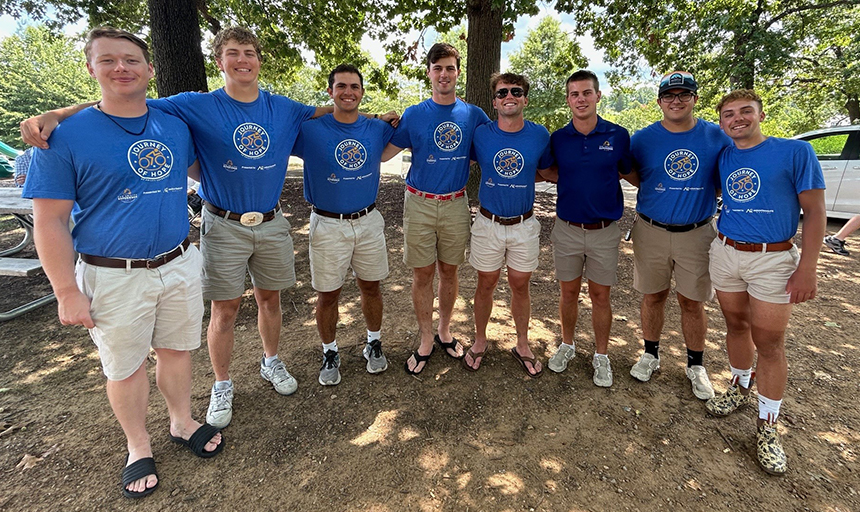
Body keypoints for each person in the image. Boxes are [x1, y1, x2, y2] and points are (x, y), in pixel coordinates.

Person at [21, 27, 396, 429]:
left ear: (259, 60)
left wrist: (377, 117)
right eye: (232, 53)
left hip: (271, 223)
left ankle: (271, 362)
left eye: (249, 52)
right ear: (219, 62)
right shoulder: (194, 105)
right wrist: (56, 115)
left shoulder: (284, 108)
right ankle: (222, 382)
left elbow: (334, 111)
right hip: (223, 223)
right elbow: (122, 101)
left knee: (270, 300)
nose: (242, 60)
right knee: (226, 308)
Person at [22, 27, 223, 499]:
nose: (121, 69)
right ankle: (138, 444)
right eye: (108, 60)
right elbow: (49, 221)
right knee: (125, 366)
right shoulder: (63, 137)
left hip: (178, 262)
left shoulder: (172, 123)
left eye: (131, 60)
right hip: (112, 274)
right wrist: (66, 291)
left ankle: (181, 420)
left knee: (177, 350)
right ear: (91, 69)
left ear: (150, 69)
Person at [705, 89, 825, 475]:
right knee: (736, 325)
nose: (737, 119)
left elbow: (816, 211)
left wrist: (807, 267)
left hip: (773, 258)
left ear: (759, 114)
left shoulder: (795, 153)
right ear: (721, 122)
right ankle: (740, 387)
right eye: (728, 114)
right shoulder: (724, 156)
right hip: (726, 252)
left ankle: (768, 425)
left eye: (745, 112)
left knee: (769, 341)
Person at [382, 43, 491, 374]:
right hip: (419, 203)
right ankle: (426, 339)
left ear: (458, 72)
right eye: (438, 68)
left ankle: (444, 331)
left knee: (449, 271)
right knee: (422, 273)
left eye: (450, 68)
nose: (444, 74)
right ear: (429, 72)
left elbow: (494, 142)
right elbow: (384, 153)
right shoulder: (415, 114)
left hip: (456, 203)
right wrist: (375, 122)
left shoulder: (473, 115)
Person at [626, 71, 731, 400]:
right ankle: (650, 354)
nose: (676, 100)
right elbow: (634, 174)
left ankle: (696, 365)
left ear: (695, 100)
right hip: (651, 229)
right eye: (669, 95)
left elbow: (721, 180)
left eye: (684, 95)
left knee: (692, 301)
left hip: (697, 232)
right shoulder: (642, 139)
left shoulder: (717, 137)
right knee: (653, 295)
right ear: (659, 101)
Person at [292, 64, 396, 385]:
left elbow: (398, 125)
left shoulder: (376, 129)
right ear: (330, 92)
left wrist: (386, 116)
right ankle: (329, 350)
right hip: (327, 223)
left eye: (354, 87)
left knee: (371, 287)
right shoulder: (309, 130)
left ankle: (373, 342)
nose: (348, 92)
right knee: (328, 295)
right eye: (341, 87)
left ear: (362, 92)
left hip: (368, 220)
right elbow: (278, 127)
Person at [543, 70, 632, 387]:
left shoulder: (618, 135)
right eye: (574, 94)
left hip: (605, 230)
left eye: (586, 93)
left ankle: (601, 356)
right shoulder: (558, 138)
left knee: (600, 296)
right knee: (568, 293)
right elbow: (549, 171)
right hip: (566, 228)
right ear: (568, 99)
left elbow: (627, 172)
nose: (580, 99)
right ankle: (567, 345)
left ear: (597, 96)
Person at [463, 72, 552, 377]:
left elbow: (549, 171)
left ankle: (523, 344)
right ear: (494, 102)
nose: (509, 97)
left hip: (524, 225)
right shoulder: (481, 134)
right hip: (488, 223)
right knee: (485, 284)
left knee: (520, 284)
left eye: (516, 92)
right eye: (502, 93)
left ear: (525, 99)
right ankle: (479, 340)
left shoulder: (540, 135)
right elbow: (462, 161)